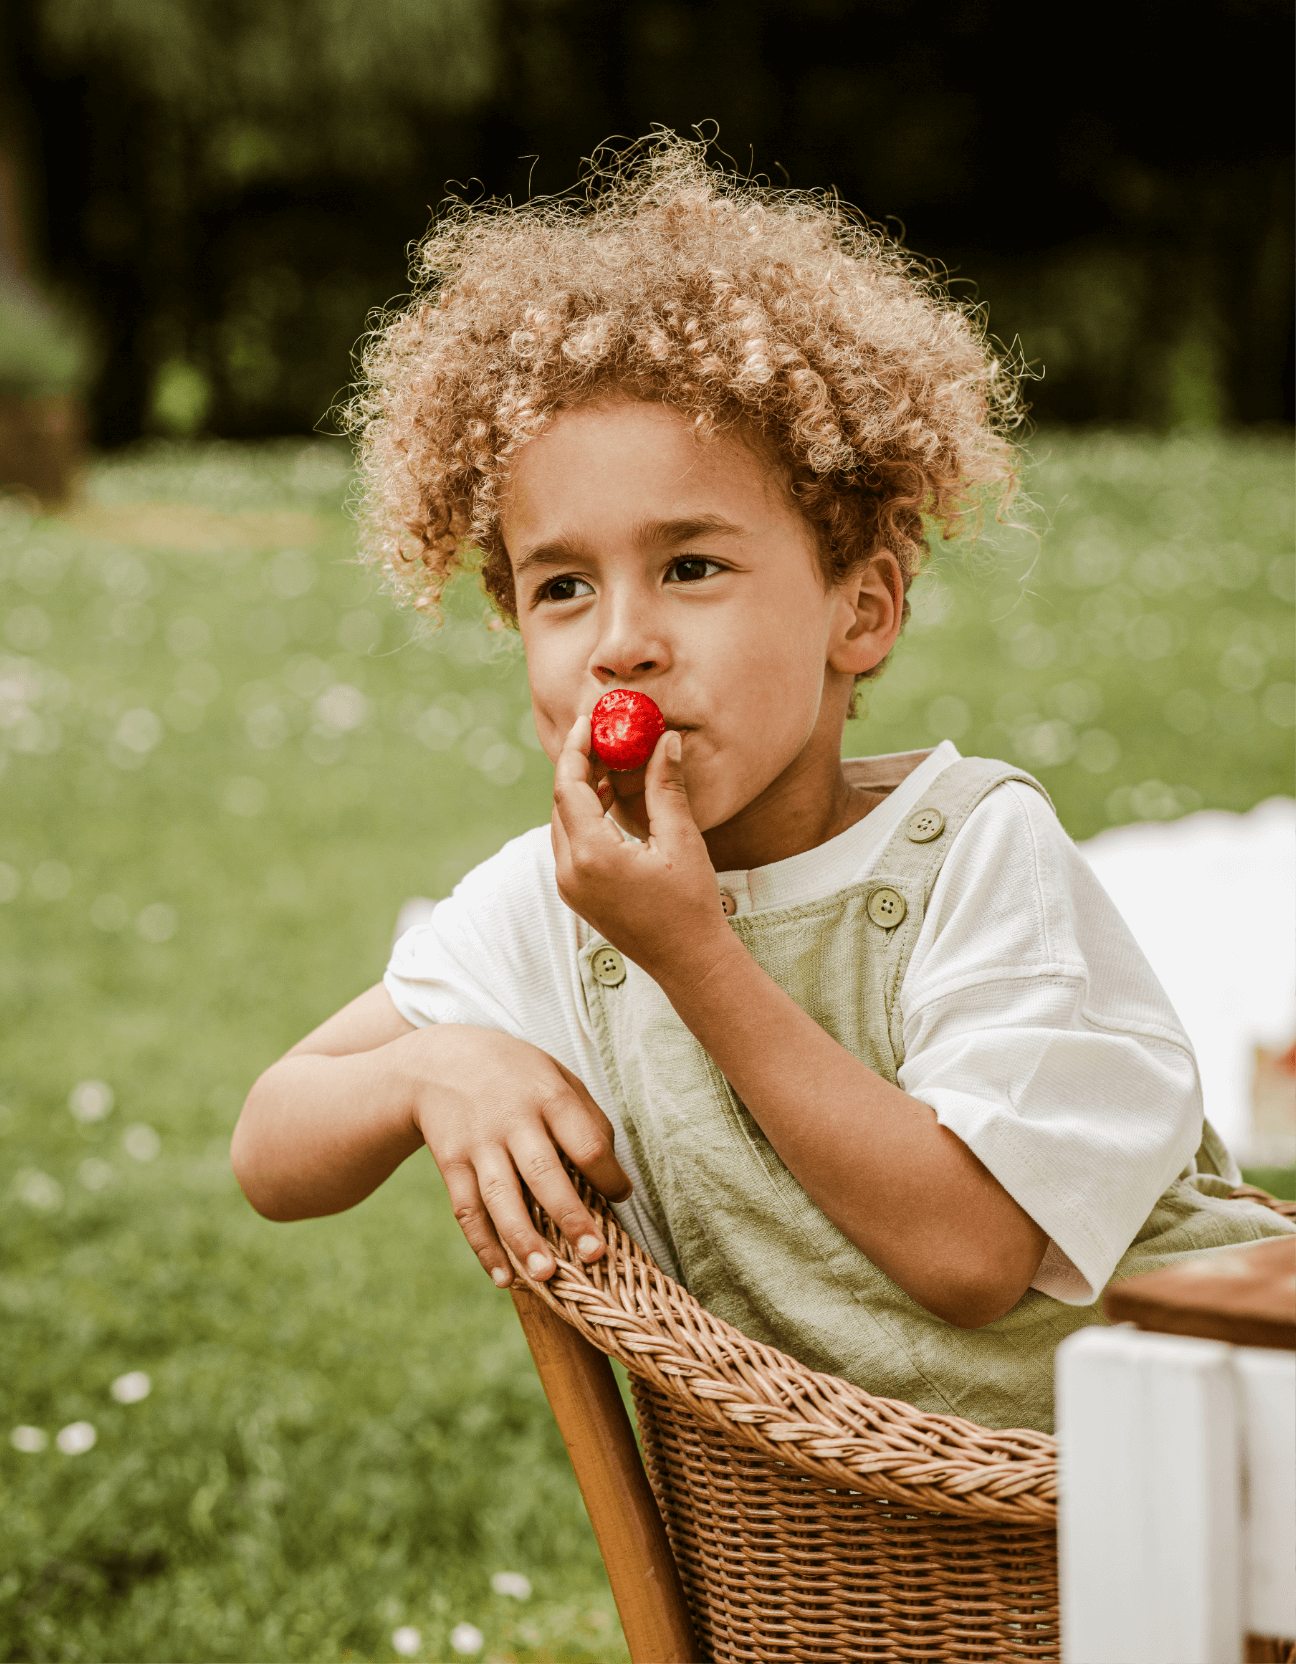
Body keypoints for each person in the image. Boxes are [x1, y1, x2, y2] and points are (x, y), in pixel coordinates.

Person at [231, 135, 1289, 1433]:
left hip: (1209, 1470)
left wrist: (696, 956)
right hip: (893, 1559)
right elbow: (272, 1148)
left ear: (862, 609)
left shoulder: (971, 859)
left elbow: (970, 1257)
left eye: (691, 567)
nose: (623, 637)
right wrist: (433, 1072)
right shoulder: (564, 909)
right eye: (564, 587)